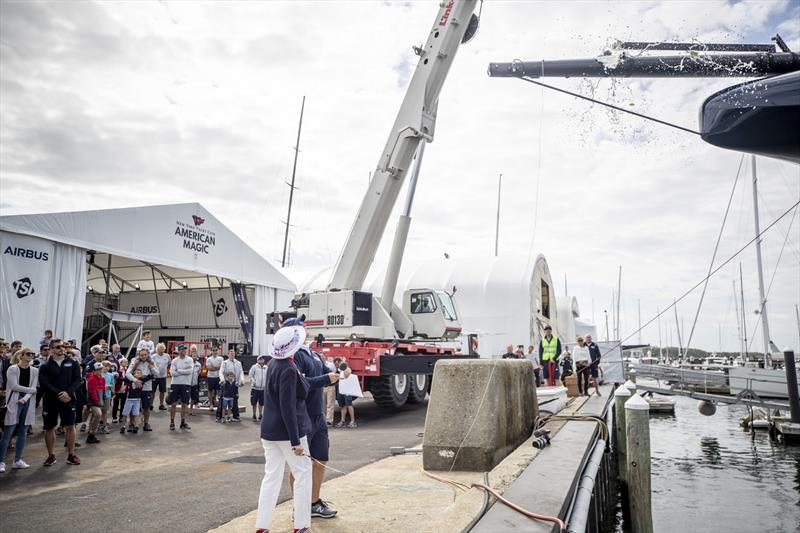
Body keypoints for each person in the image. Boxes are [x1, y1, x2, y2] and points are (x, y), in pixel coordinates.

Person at [256, 325, 313, 533]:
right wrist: (296, 440)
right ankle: (301, 525)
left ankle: (261, 526)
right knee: (303, 475)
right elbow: (287, 406)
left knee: (271, 477)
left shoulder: (273, 364)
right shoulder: (289, 369)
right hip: (287, 432)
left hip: (269, 430)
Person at [282, 316, 340, 519]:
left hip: (318, 414)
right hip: (303, 415)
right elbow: (301, 382)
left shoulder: (314, 354)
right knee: (300, 466)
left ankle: (314, 502)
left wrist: (340, 373)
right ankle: (298, 506)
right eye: (300, 326)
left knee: (321, 458)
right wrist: (326, 379)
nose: (305, 328)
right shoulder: (293, 356)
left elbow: (327, 374)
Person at [38, 339, 81, 466]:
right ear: (51, 350)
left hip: (68, 400)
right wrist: (59, 394)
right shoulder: (45, 366)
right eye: (58, 347)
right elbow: (44, 384)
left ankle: (71, 454)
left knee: (70, 426)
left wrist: (68, 393)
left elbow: (78, 379)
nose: (61, 348)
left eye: (63, 346)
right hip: (50, 401)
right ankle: (51, 456)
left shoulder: (73, 362)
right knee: (50, 428)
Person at [0, 347, 38, 472]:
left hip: (26, 401)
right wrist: (30, 392)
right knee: (8, 432)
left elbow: (32, 387)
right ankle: (1, 461)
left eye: (32, 354)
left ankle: (17, 460)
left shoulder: (34, 370)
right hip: (14, 402)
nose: (30, 356)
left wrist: (25, 398)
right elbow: (14, 386)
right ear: (20, 356)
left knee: (23, 431)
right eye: (28, 354)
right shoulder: (12, 369)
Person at [126, 349, 156, 432]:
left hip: (147, 388)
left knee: (146, 407)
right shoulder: (135, 362)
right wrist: (136, 380)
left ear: (148, 354)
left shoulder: (151, 362)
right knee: (133, 406)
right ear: (139, 355)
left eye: (145, 354)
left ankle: (146, 424)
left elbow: (157, 374)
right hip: (136, 388)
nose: (144, 356)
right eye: (142, 355)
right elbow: (127, 373)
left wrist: (151, 368)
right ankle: (131, 424)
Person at [168, 344, 193, 430]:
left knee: (184, 404)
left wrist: (178, 370)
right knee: (173, 404)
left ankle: (183, 422)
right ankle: (172, 422)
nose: (184, 351)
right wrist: (183, 371)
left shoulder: (190, 359)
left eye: (185, 350)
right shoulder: (174, 360)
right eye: (182, 350)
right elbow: (172, 373)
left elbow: (190, 371)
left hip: (186, 384)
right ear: (178, 351)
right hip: (175, 384)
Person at [121, 368, 151, 433]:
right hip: (129, 399)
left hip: (137, 400)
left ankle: (136, 426)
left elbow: (149, 376)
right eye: (136, 373)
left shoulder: (142, 380)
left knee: (136, 413)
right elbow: (123, 378)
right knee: (125, 413)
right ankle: (123, 426)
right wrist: (120, 374)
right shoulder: (130, 380)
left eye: (139, 373)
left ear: (141, 375)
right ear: (133, 374)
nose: (137, 374)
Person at [217, 350, 243, 422]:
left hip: (234, 385)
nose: (232, 354)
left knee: (235, 401)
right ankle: (219, 417)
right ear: (228, 355)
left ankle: (235, 416)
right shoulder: (224, 363)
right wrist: (222, 379)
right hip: (225, 385)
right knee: (222, 401)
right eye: (230, 353)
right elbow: (221, 372)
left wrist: (242, 380)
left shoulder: (238, 363)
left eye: (233, 353)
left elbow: (241, 372)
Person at [85, 362, 106, 444]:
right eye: (97, 370)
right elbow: (92, 391)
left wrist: (102, 399)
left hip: (100, 399)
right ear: (94, 370)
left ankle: (91, 436)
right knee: (98, 414)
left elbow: (103, 390)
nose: (100, 371)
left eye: (101, 369)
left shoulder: (103, 379)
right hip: (92, 401)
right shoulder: (91, 379)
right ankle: (92, 433)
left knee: (94, 416)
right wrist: (97, 401)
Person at [335, 361, 356, 429]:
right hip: (341, 389)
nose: (340, 365)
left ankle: (353, 421)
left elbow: (347, 375)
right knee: (342, 405)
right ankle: (342, 421)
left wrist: (343, 368)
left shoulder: (348, 369)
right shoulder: (338, 371)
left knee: (349, 404)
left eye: (342, 364)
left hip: (347, 390)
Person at [151, 343, 170, 410]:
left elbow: (169, 364)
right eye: (160, 348)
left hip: (163, 377)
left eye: (163, 348)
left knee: (162, 391)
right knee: (152, 391)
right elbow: (151, 365)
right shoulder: (153, 356)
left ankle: (161, 405)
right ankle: (151, 405)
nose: (162, 349)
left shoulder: (167, 356)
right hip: (154, 377)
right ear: (157, 349)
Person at [248, 356, 268, 420]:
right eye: (260, 359)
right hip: (255, 389)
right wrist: (254, 382)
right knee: (254, 402)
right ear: (257, 360)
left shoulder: (266, 367)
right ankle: (254, 414)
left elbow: (268, 376)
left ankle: (260, 414)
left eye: (262, 359)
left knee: (261, 403)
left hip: (263, 389)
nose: (261, 360)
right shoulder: (254, 367)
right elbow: (250, 375)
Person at [112, 358, 129, 423]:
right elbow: (116, 379)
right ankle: (114, 417)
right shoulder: (117, 370)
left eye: (127, 362)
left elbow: (128, 379)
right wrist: (119, 372)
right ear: (120, 363)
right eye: (124, 362)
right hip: (117, 390)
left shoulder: (127, 370)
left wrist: (127, 386)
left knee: (123, 404)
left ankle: (121, 417)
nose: (126, 363)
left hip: (124, 389)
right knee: (115, 404)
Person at [189, 349, 201, 416]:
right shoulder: (188, 362)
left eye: (196, 355)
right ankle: (184, 409)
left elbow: (198, 373)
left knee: (193, 398)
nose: (195, 356)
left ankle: (191, 410)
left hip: (194, 383)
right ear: (191, 355)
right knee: (185, 397)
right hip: (187, 383)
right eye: (193, 355)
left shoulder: (198, 364)